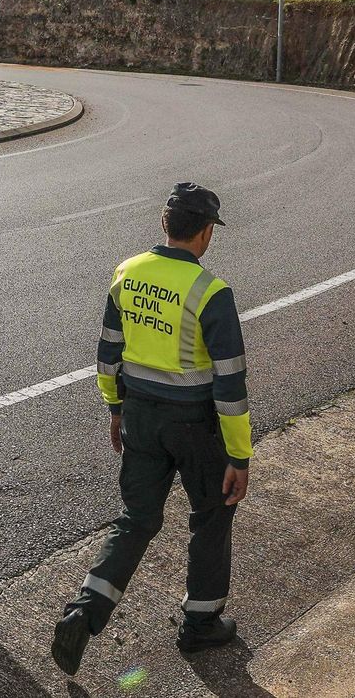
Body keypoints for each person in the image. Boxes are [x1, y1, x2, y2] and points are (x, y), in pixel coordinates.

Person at [51, 183, 253, 675]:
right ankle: (200, 624)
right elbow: (230, 384)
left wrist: (115, 409)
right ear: (206, 233)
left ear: (165, 225)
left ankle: (85, 611)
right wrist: (239, 458)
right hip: (194, 426)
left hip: (139, 415)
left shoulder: (127, 273)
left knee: (136, 519)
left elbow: (107, 354)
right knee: (211, 514)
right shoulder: (212, 293)